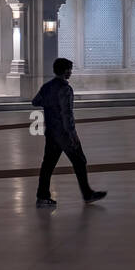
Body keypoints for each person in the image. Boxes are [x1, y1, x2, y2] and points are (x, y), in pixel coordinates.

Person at [32, 57, 107, 208]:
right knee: (79, 161)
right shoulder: (65, 89)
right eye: (69, 69)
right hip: (64, 135)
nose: (71, 72)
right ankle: (87, 194)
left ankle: (42, 196)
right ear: (64, 71)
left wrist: (50, 104)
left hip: (51, 133)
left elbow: (35, 101)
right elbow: (67, 115)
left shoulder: (47, 87)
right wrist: (73, 136)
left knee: (47, 165)